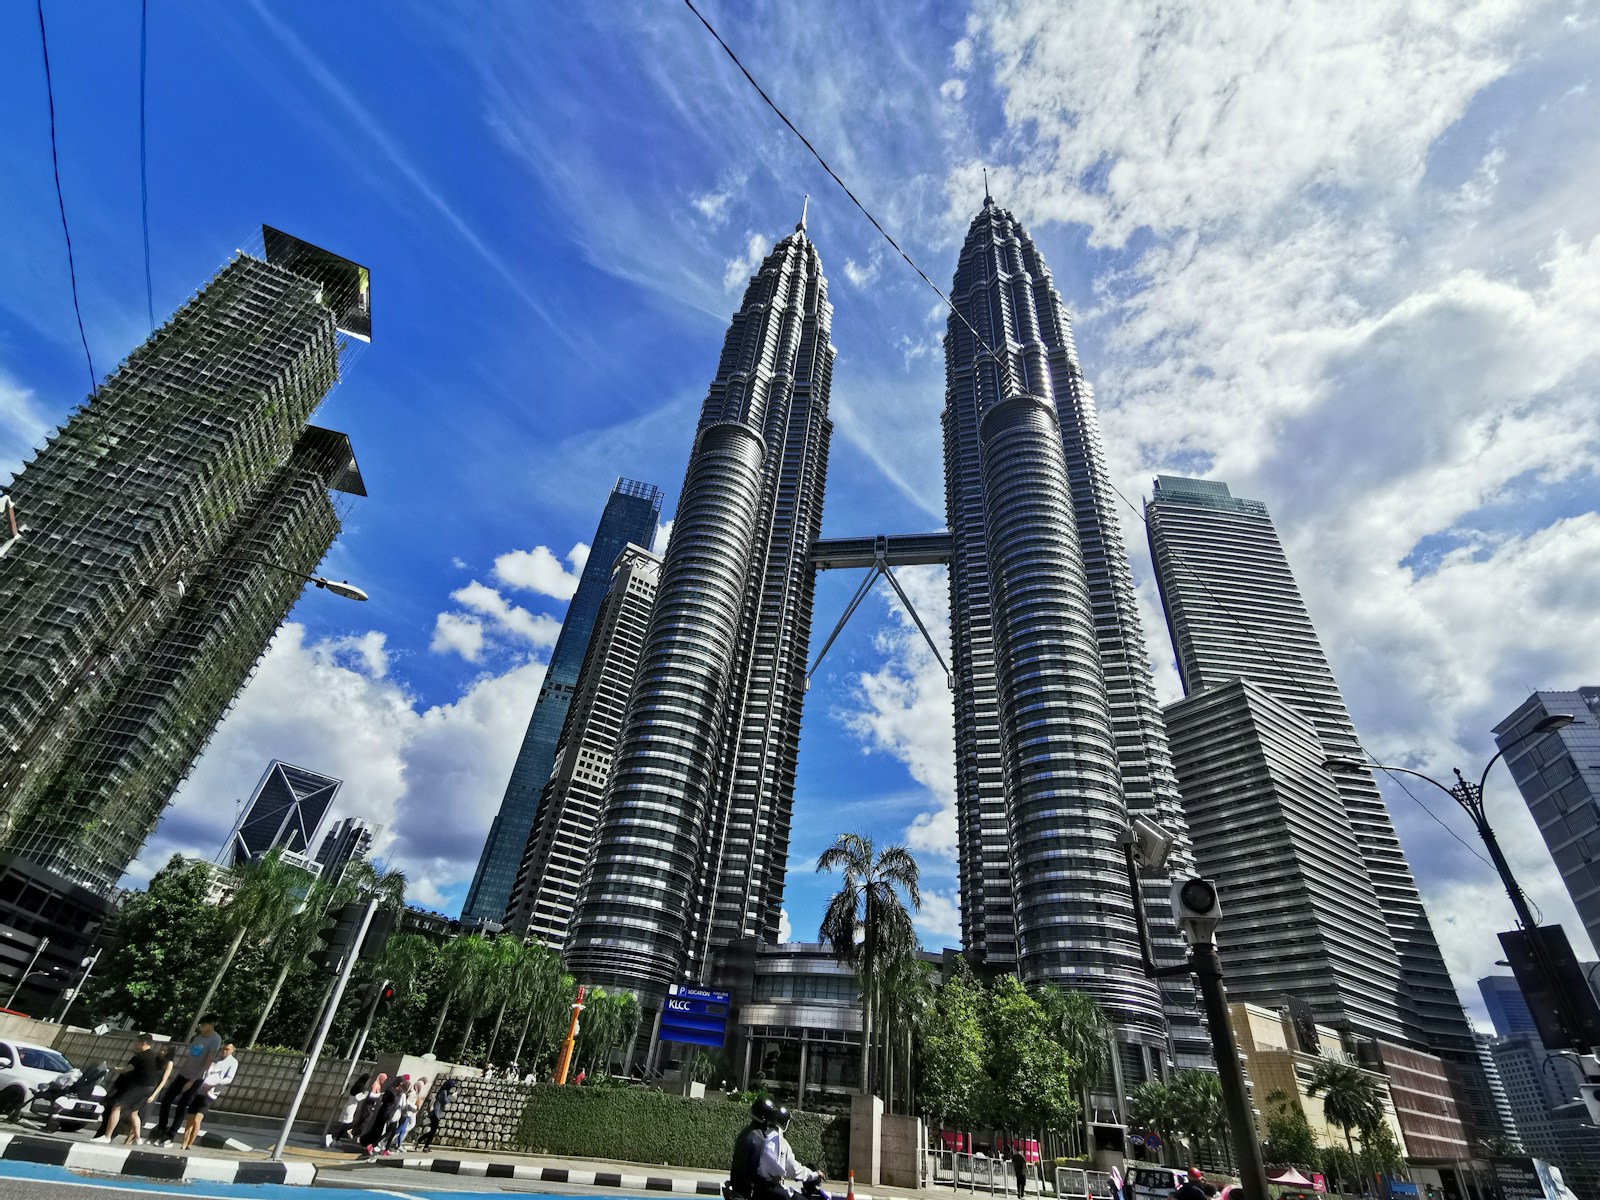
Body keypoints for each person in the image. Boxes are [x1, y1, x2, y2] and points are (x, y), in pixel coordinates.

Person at [150, 1015, 222, 1147]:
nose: (200, 1028)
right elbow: (191, 1057)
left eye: (203, 1025)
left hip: (197, 1078)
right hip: (183, 1074)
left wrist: (192, 1081)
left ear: (211, 1025)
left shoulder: (215, 1039)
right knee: (166, 1100)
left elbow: (208, 1062)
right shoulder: (198, 1038)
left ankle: (170, 1135)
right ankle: (162, 1127)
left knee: (182, 1106)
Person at [92, 1033, 165, 1144]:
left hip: (139, 1086)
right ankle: (137, 1139)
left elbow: (127, 1069)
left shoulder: (140, 1056)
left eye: (137, 1042)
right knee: (134, 1113)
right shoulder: (155, 1057)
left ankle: (107, 1136)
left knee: (117, 1107)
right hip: (150, 1088)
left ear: (144, 1043)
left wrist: (113, 1068)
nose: (135, 1044)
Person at [179, 1042, 237, 1150]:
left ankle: (190, 1143)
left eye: (227, 1049)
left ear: (233, 1050)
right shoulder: (216, 1059)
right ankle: (184, 1142)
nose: (225, 1051)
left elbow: (229, 1078)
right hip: (200, 1090)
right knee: (190, 1118)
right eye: (224, 1049)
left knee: (197, 1119)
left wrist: (215, 1084)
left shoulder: (233, 1062)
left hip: (211, 1093)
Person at [760, 1105, 821, 1200]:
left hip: (759, 1188)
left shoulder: (761, 1136)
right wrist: (814, 1175)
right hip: (773, 1188)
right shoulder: (780, 1141)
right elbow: (794, 1170)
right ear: (785, 1123)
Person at [730, 1098, 777, 1200]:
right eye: (771, 1118)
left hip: (738, 1185)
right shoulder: (759, 1138)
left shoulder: (747, 1132)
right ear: (765, 1118)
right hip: (749, 1189)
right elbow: (757, 1169)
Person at [330, 1073, 385, 1147]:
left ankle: (337, 1138)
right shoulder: (360, 1087)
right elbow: (358, 1098)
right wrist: (365, 1094)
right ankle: (334, 1137)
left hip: (349, 1106)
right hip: (351, 1107)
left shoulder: (356, 1085)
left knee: (345, 1124)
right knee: (346, 1125)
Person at [359, 1073, 407, 1157]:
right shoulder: (392, 1090)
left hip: (386, 1112)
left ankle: (374, 1145)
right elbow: (386, 1100)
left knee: (384, 1131)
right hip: (385, 1112)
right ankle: (369, 1144)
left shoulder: (394, 1090)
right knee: (379, 1130)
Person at [383, 1075, 426, 1155]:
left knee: (400, 1130)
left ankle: (393, 1143)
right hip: (406, 1113)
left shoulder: (414, 1092)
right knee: (400, 1130)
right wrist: (414, 1107)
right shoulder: (412, 1093)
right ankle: (389, 1142)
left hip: (407, 1113)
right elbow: (406, 1103)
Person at [417, 1076, 457, 1151]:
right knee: (433, 1131)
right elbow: (445, 1101)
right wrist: (452, 1096)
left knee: (432, 1131)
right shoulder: (444, 1092)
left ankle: (425, 1146)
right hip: (435, 1113)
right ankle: (419, 1140)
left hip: (436, 1113)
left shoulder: (442, 1091)